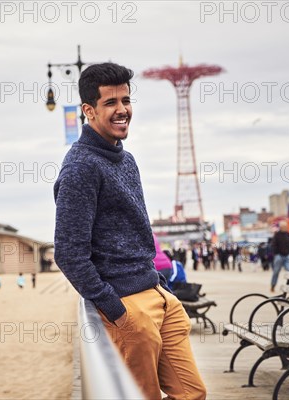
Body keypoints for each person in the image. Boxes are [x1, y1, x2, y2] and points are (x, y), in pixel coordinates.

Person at [53, 62, 206, 399]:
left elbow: (138, 235)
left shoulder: (128, 160)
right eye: (111, 103)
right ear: (89, 111)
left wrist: (161, 286)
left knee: (193, 393)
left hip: (160, 297)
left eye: (126, 100)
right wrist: (118, 312)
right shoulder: (81, 167)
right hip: (127, 307)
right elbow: (68, 253)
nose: (122, 110)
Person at [270, 220, 289, 292]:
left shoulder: (288, 234)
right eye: (283, 226)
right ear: (280, 227)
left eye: (285, 226)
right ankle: (273, 285)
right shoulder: (277, 235)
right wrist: (276, 253)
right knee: (276, 271)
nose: (285, 227)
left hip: (287, 256)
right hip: (279, 255)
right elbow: (273, 245)